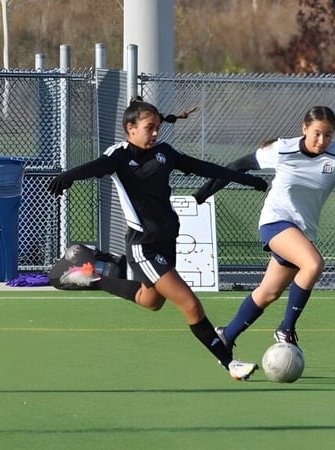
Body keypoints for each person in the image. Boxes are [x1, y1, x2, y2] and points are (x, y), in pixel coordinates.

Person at [47, 97, 269, 381]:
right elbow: (95, 166)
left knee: (150, 301)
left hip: (167, 241)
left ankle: (92, 278)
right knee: (190, 304)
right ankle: (230, 363)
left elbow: (204, 168)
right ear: (130, 129)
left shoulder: (165, 153)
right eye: (149, 128)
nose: (155, 133)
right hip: (144, 245)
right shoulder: (120, 156)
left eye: (157, 128)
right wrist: (69, 176)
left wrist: (243, 178)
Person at [194, 106, 335, 352]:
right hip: (276, 221)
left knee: (268, 293)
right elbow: (238, 165)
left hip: (302, 232)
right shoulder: (283, 149)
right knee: (313, 264)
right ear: (304, 129)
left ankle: (226, 336)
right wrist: (201, 195)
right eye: (316, 133)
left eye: (328, 135)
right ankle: (286, 328)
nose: (322, 140)